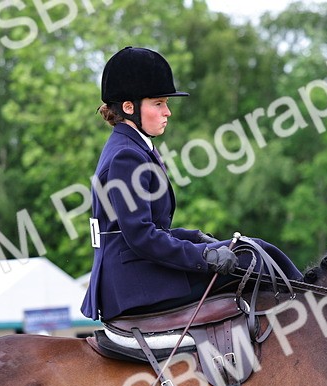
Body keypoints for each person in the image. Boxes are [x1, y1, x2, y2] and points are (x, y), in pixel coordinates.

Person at [80, 47, 300, 322]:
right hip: (134, 283)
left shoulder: (131, 147)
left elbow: (149, 230)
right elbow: (140, 236)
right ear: (129, 107)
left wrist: (195, 238)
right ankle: (313, 314)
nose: (167, 112)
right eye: (158, 104)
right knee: (253, 256)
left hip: (137, 273)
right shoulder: (127, 155)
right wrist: (204, 256)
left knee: (255, 249)